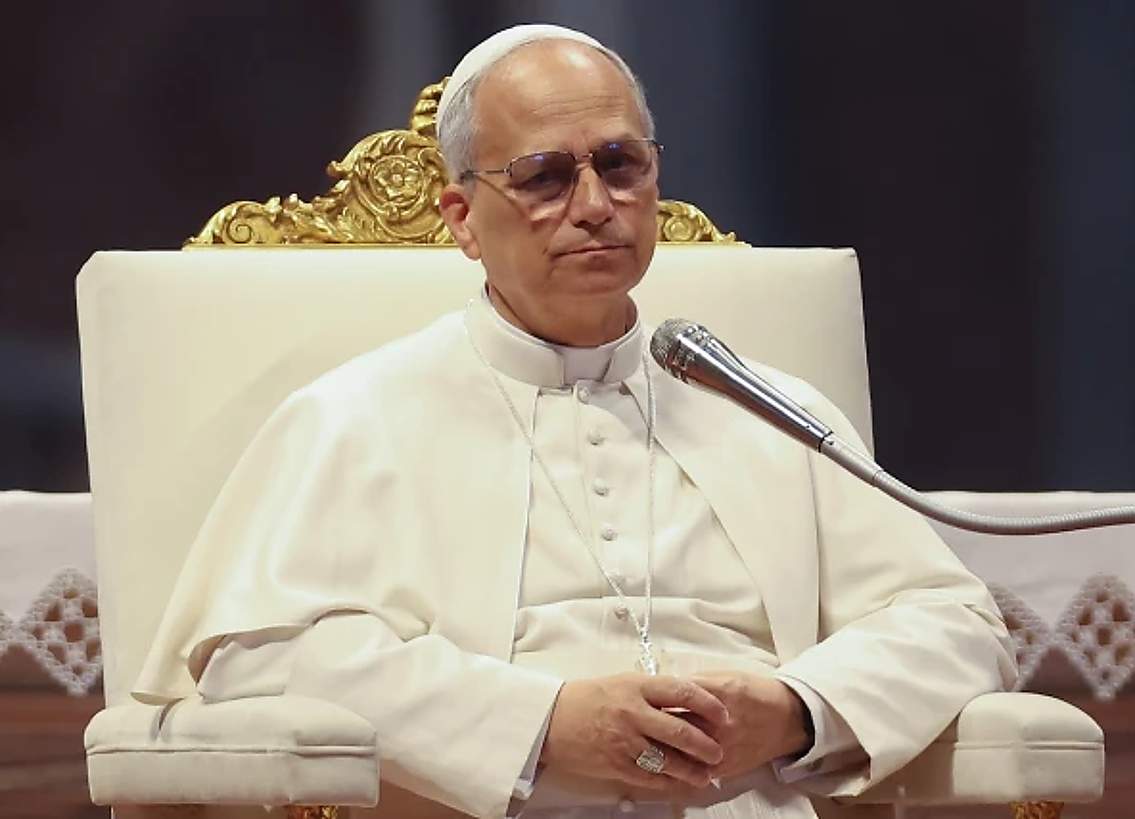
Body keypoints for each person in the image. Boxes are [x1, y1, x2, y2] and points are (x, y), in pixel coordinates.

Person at [135, 24, 1017, 819]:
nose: (595, 204)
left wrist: (794, 709)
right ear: (461, 219)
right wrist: (542, 722)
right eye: (544, 177)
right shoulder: (356, 416)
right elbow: (262, 657)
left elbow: (952, 622)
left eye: (620, 164)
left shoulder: (769, 410)